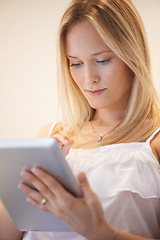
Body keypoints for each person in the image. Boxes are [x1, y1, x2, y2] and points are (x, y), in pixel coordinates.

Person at [1, 0, 160, 239]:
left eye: (102, 60)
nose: (88, 79)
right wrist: (24, 183)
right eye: (75, 63)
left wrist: (101, 232)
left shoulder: (154, 141)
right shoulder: (50, 136)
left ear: (133, 55)